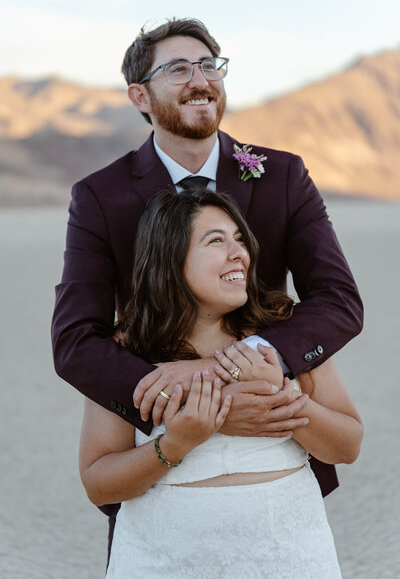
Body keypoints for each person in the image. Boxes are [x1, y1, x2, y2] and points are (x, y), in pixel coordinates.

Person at [51, 18, 363, 549]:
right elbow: (76, 340)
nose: (201, 79)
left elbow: (337, 300)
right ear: (140, 95)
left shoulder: (282, 176)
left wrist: (238, 370)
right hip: (164, 458)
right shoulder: (101, 196)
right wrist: (180, 406)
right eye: (178, 69)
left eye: (209, 66)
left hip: (273, 422)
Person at [79, 189, 363, 578]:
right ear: (169, 261)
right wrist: (174, 445)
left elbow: (347, 446)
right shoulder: (126, 351)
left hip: (291, 558)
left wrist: (282, 397)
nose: (239, 254)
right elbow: (99, 483)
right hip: (164, 563)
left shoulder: (284, 331)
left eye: (240, 239)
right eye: (216, 240)